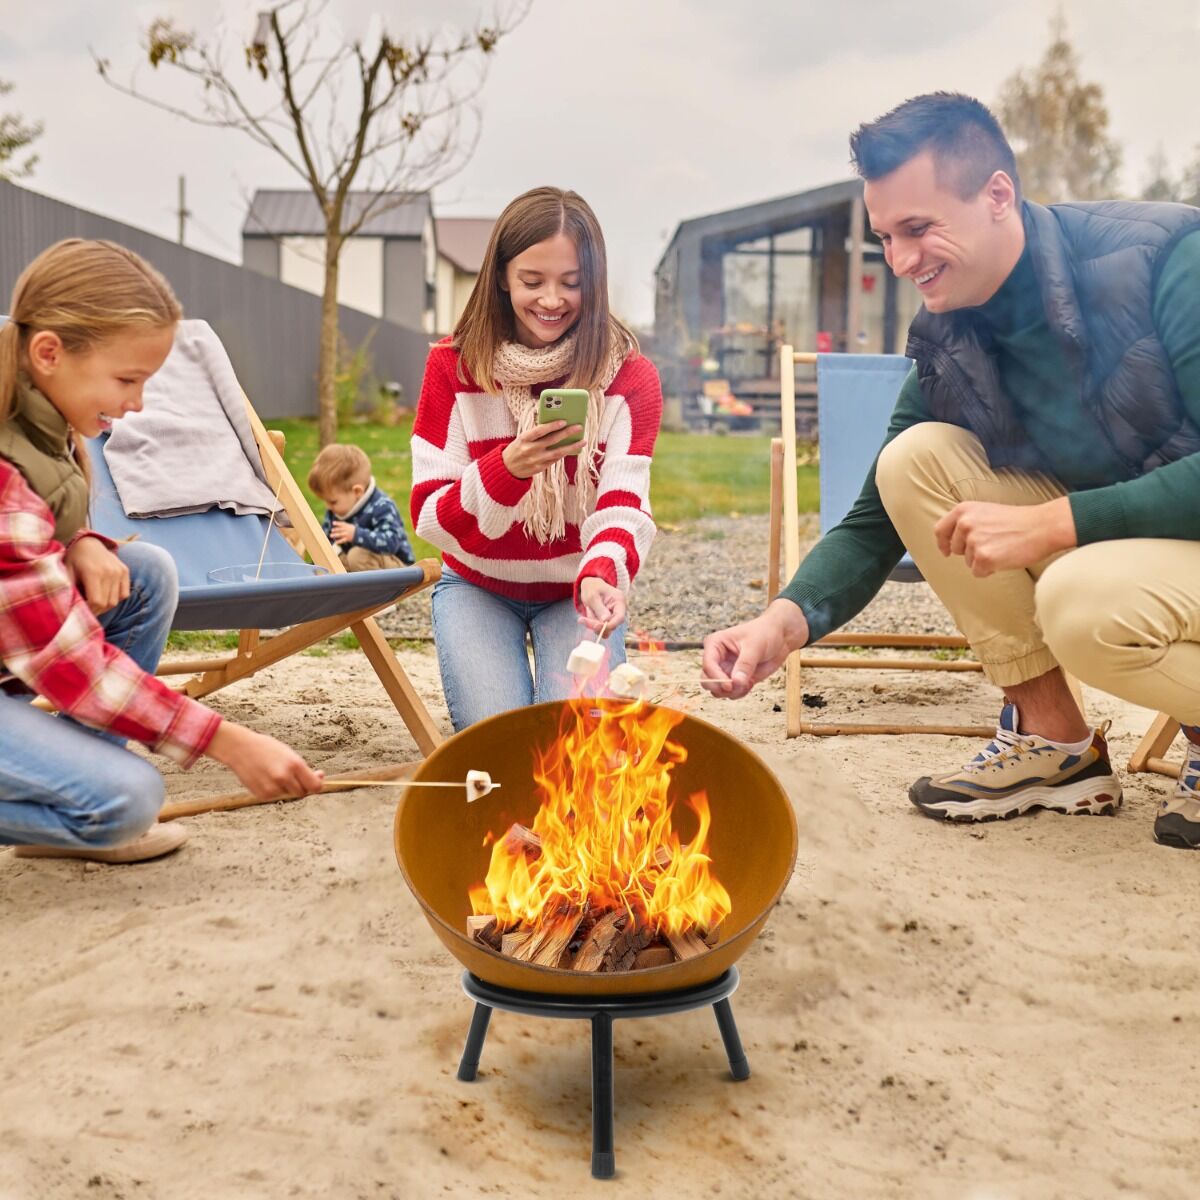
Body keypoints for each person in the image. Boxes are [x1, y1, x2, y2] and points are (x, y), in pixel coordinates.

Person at [702, 92, 1200, 849]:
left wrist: (1053, 524)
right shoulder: (953, 331)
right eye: (884, 238)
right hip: (1144, 551)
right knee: (915, 461)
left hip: (1162, 554)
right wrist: (783, 621)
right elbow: (876, 515)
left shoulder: (1168, 260)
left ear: (998, 194)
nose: (901, 262)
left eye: (918, 229)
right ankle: (1057, 748)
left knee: (1080, 601)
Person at [0, 239, 324, 865]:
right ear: (49, 353)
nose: (138, 404)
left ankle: (64, 786)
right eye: (127, 380)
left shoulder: (38, 412)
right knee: (128, 801)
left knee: (142, 572)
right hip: (30, 659)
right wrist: (228, 742)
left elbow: (36, 537)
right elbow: (72, 668)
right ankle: (76, 802)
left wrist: (83, 542)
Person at [410, 186, 662, 731]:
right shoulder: (450, 367)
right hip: (476, 584)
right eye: (532, 281)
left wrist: (600, 572)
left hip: (577, 588)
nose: (552, 300)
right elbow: (430, 513)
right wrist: (509, 470)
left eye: (572, 283)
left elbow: (624, 501)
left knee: (573, 741)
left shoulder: (628, 377)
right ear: (501, 276)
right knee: (501, 744)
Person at [308, 443, 414, 571]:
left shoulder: (382, 506)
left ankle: (375, 591)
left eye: (333, 502)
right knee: (329, 561)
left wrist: (356, 534)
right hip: (359, 566)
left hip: (396, 568)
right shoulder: (335, 511)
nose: (328, 507)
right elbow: (326, 543)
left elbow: (391, 543)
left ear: (357, 492)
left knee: (358, 556)